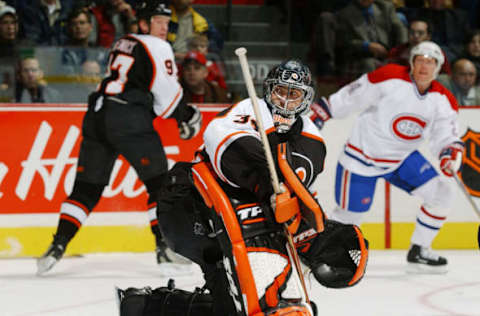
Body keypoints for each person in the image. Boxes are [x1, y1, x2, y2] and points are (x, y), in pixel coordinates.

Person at [117, 60, 369, 315]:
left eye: (293, 94)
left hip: (241, 217)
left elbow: (294, 193)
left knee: (243, 305)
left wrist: (312, 231)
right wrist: (271, 188)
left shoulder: (312, 141)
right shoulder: (250, 109)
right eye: (279, 91)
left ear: (305, 100)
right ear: (268, 90)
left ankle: (141, 305)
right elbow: (230, 148)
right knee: (242, 301)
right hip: (190, 205)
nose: (283, 101)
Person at [36, 0, 202, 275]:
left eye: (166, 22)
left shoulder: (123, 42)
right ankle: (165, 251)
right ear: (144, 23)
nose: (164, 27)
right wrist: (185, 116)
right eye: (158, 22)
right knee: (160, 185)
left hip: (98, 114)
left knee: (87, 188)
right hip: (128, 119)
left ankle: (57, 247)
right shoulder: (158, 45)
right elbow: (167, 98)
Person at [310, 41, 463, 273]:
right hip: (362, 158)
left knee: (442, 192)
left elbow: (445, 134)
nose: (424, 66)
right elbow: (355, 94)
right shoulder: (389, 77)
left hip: (401, 159)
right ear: (412, 62)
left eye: (430, 62)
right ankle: (321, 253)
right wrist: (326, 109)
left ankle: (419, 250)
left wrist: (449, 151)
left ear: (438, 67)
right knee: (349, 215)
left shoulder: (444, 100)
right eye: (420, 59)